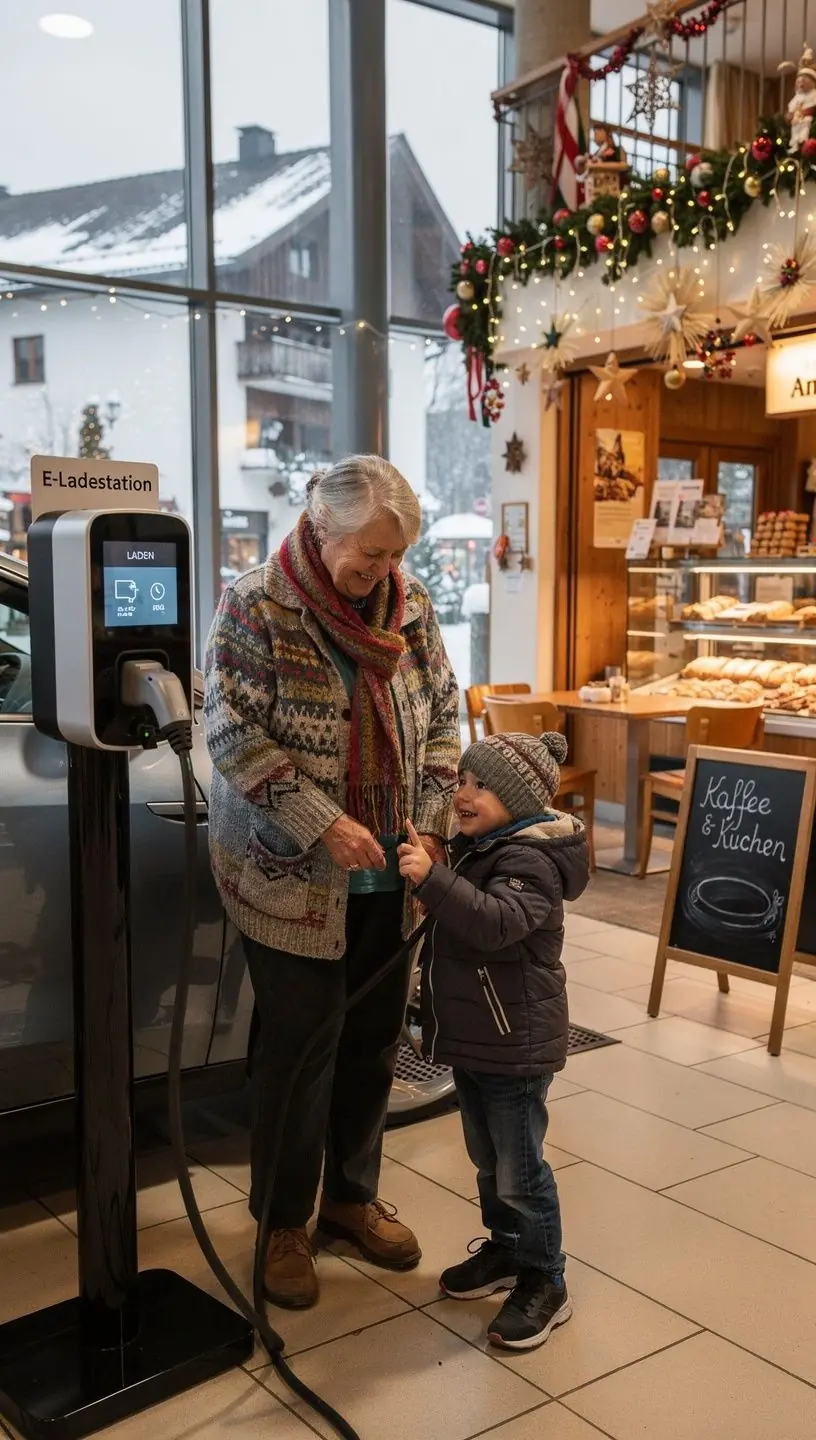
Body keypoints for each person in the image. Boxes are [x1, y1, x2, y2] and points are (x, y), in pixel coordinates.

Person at [204, 456, 460, 1310]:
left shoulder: (411, 606)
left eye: (395, 554)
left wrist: (431, 825)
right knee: (301, 1049)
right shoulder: (257, 604)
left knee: (375, 1041)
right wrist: (323, 821)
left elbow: (444, 715)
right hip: (289, 876)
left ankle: (350, 1198)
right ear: (320, 529)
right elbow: (232, 732)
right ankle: (284, 1221)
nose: (382, 570)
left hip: (392, 872)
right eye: (369, 553)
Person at [397, 730, 590, 1350]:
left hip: (515, 1044)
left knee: (521, 1171)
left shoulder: (530, 862)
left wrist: (433, 881)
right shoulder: (484, 847)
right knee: (489, 1161)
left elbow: (495, 925)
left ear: (518, 798)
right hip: (481, 1038)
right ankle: (507, 1250)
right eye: (462, 780)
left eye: (481, 785)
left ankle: (546, 1277)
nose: (463, 793)